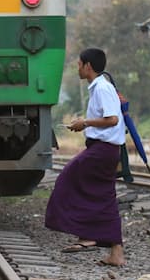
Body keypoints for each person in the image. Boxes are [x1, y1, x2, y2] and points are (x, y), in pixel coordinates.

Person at [45, 48, 126, 267]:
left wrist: (86, 123)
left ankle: (87, 233)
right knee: (103, 196)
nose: (77, 68)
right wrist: (84, 124)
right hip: (102, 148)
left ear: (88, 66)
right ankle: (115, 252)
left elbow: (112, 120)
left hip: (102, 150)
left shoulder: (102, 88)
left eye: (79, 64)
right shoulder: (98, 87)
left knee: (67, 180)